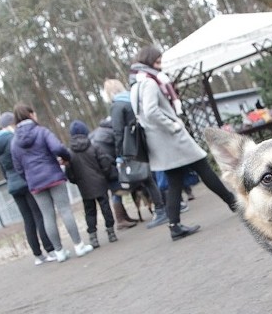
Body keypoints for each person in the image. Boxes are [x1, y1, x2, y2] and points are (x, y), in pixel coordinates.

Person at [130, 46, 237, 241]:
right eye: (157, 61)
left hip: (162, 143)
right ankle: (233, 203)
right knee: (203, 166)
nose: (160, 65)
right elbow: (151, 111)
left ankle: (174, 225)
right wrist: (173, 126)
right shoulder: (150, 83)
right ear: (149, 61)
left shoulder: (136, 84)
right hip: (171, 139)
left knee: (174, 180)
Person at [10, 103, 94, 261]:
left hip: (35, 183)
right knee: (65, 210)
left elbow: (18, 168)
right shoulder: (41, 131)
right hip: (53, 176)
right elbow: (57, 148)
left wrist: (29, 178)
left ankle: (60, 252)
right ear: (30, 114)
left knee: (47, 216)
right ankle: (79, 246)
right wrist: (66, 158)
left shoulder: (14, 142)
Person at [0, 112, 56, 265]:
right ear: (11, 124)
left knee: (28, 220)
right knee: (38, 215)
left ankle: (37, 255)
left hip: (13, 185)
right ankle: (50, 249)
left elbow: (3, 168)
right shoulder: (13, 138)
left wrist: (9, 181)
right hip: (25, 181)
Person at [104, 78, 170, 228]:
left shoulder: (117, 106)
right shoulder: (132, 100)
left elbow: (118, 132)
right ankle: (168, 204)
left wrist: (120, 154)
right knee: (152, 175)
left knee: (146, 179)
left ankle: (161, 209)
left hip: (132, 147)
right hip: (145, 140)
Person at [65, 120, 117, 249]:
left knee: (89, 211)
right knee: (106, 207)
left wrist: (77, 181)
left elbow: (70, 174)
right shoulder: (94, 147)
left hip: (84, 187)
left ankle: (93, 237)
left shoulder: (69, 153)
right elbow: (105, 164)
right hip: (100, 183)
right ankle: (111, 232)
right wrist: (104, 176)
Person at [88, 116, 138, 230]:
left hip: (98, 165)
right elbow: (120, 147)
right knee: (117, 191)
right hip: (107, 165)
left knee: (116, 190)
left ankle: (124, 217)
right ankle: (120, 219)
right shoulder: (112, 131)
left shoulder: (98, 131)